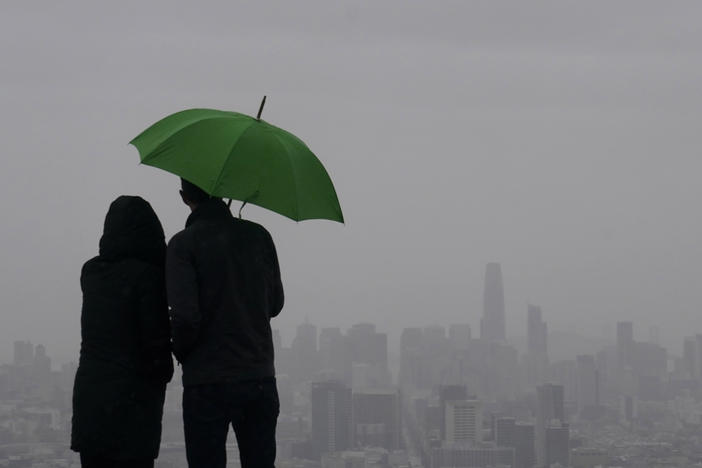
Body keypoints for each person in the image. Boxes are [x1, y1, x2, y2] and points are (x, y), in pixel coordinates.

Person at [167, 179, 284, 468]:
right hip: (257, 376)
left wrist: (181, 351)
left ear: (184, 197)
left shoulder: (183, 244)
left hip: (206, 382)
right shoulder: (259, 236)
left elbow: (185, 317)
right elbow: (276, 304)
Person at [71, 196, 174, 468]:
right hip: (132, 408)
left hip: (91, 401)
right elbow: (156, 351)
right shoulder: (148, 278)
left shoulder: (91, 273)